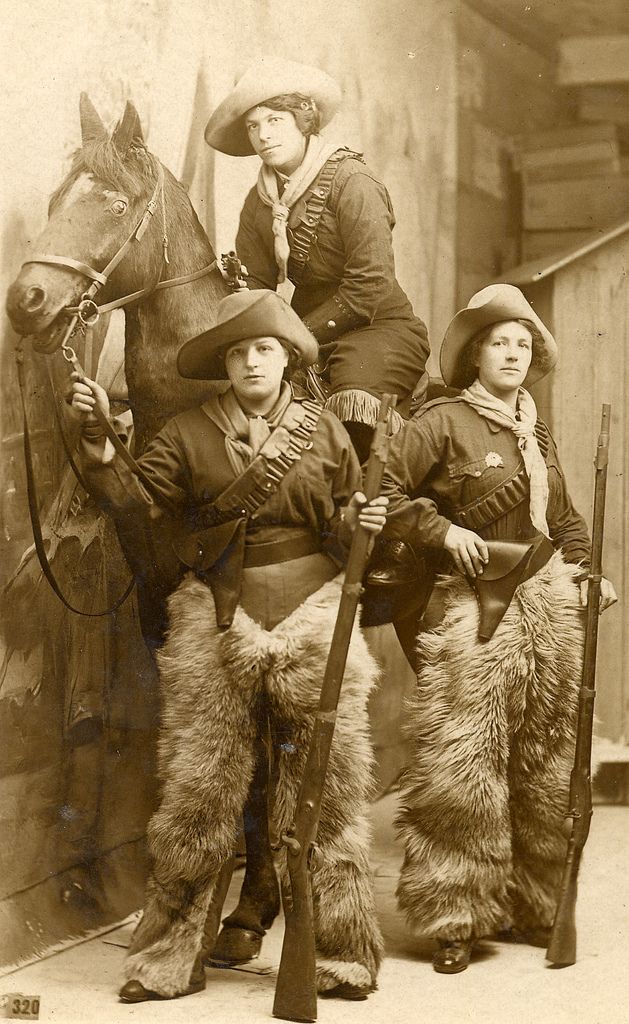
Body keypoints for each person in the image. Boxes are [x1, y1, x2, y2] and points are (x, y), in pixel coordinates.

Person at [70, 288, 387, 1002]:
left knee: (324, 796)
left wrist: (363, 517)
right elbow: (137, 503)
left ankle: (340, 955)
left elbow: (343, 532)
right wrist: (98, 445)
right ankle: (166, 960)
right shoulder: (184, 434)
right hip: (215, 617)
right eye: (238, 352)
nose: (251, 362)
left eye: (264, 349)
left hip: (313, 614)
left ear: (286, 359)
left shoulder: (325, 431)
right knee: (198, 798)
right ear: (224, 363)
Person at [377, 284, 617, 974]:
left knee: (542, 765)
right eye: (498, 342)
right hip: (467, 604)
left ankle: (532, 902)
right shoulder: (441, 421)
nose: (511, 353)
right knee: (464, 765)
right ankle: (453, 916)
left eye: (522, 344)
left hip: (543, 607)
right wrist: (443, 529)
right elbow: (382, 492)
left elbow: (563, 519)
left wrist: (586, 570)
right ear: (474, 353)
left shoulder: (533, 430)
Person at [205, 56, 430, 463]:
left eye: (274, 120)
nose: (262, 136)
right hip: (302, 335)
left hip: (378, 328)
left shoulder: (353, 183)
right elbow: (256, 287)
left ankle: (372, 513)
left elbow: (369, 287)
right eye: (253, 126)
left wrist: (293, 338)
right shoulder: (259, 203)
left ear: (303, 119)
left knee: (350, 402)